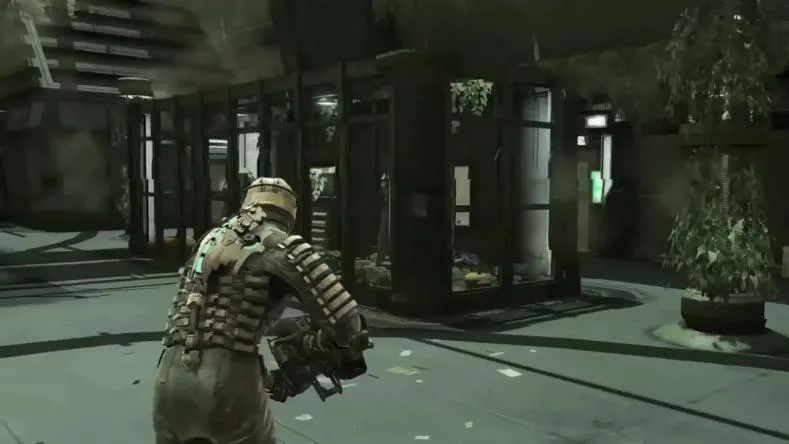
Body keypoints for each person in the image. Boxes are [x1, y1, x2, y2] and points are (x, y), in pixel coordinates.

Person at [153, 177, 369, 444]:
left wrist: (267, 379)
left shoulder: (208, 241)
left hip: (168, 379)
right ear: (289, 213)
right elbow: (347, 322)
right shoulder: (282, 244)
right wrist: (320, 345)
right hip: (227, 386)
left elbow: (213, 331)